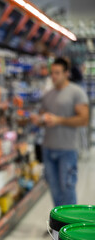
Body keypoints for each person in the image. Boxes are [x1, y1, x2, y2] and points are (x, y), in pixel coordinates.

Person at [31, 57, 89, 207]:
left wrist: (59, 120)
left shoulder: (76, 92)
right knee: (55, 191)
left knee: (68, 189)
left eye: (57, 73)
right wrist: (39, 120)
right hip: (48, 149)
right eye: (52, 73)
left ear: (66, 73)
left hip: (67, 150)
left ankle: (69, 226)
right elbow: (44, 117)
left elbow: (84, 119)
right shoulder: (48, 94)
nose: (54, 76)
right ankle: (58, 227)